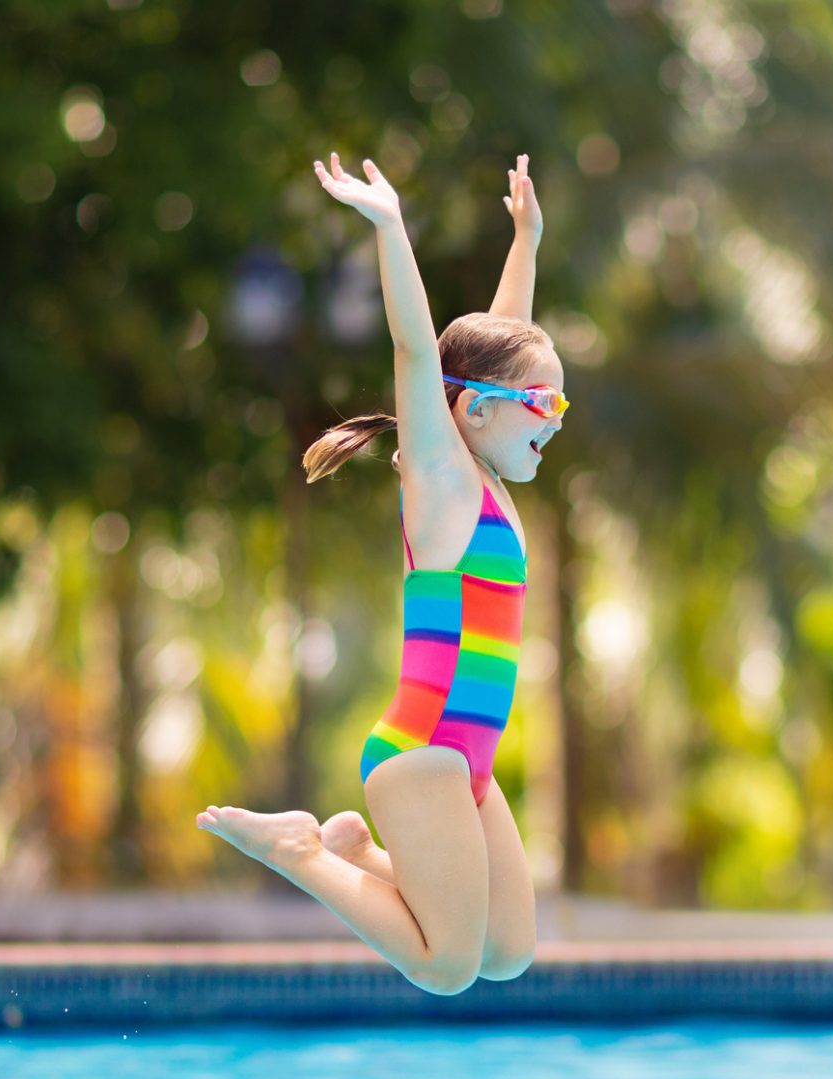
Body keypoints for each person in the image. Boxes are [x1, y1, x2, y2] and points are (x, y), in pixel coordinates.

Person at [197, 152, 566, 996]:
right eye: (547, 405)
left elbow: (502, 346)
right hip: (424, 750)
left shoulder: (490, 475)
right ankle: (299, 849)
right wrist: (390, 228)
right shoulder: (441, 485)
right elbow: (416, 346)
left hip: (469, 758)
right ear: (473, 410)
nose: (556, 419)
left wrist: (527, 244)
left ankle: (358, 852)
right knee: (444, 966)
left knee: (506, 952)